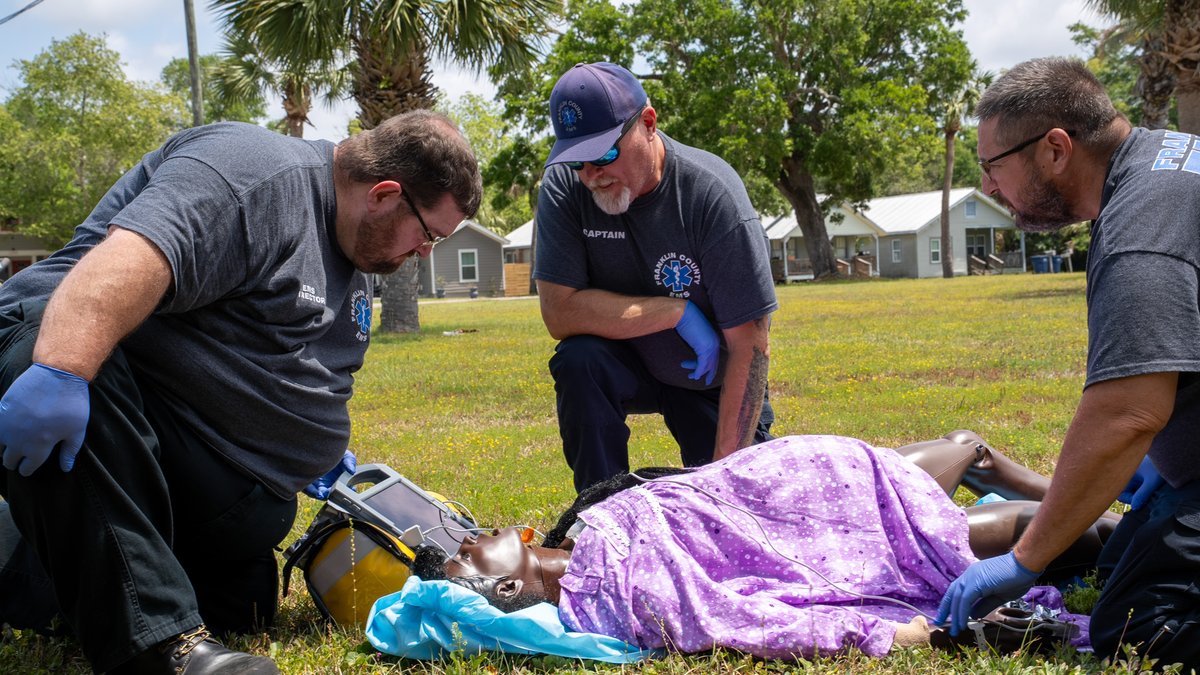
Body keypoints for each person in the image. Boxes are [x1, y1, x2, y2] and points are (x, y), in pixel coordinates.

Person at [0, 110, 481, 674]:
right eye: (429, 235)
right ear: (383, 194)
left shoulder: (362, 250)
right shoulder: (254, 175)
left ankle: (25, 555)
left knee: (243, 604)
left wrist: (311, 449)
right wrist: (61, 369)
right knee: (80, 359)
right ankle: (164, 650)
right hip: (65, 365)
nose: (425, 254)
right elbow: (133, 257)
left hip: (204, 470)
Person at [934, 56, 1200, 670]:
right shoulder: (1165, 161)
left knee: (1144, 631)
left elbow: (1127, 412)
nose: (992, 187)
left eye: (993, 167)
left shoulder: (1141, 229)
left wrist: (1025, 560)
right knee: (1116, 566)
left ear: (1055, 148)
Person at [413, 431, 1119, 659]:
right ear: (508, 589)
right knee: (1032, 529)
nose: (475, 536)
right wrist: (914, 631)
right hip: (833, 538)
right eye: (472, 554)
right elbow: (759, 618)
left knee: (966, 455)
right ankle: (1132, 526)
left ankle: (1118, 510)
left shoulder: (586, 531)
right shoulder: (624, 598)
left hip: (804, 480)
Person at [534, 62, 777, 493]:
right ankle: (598, 515)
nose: (591, 175)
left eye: (605, 154)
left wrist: (724, 488)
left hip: (709, 380)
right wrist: (675, 312)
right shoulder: (563, 187)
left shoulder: (711, 195)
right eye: (576, 161)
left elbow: (750, 346)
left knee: (734, 500)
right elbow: (559, 311)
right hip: (627, 363)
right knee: (579, 361)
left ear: (648, 123)